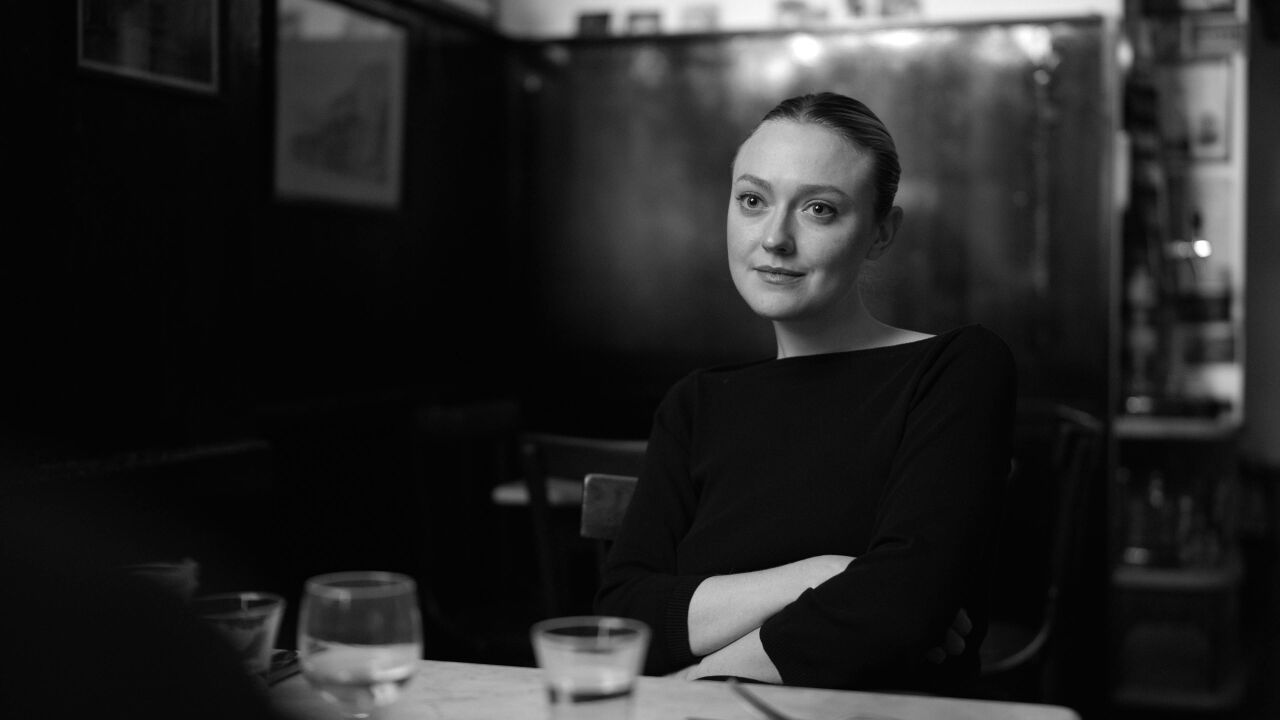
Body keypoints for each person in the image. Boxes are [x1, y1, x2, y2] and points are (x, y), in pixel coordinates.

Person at [594, 92, 1016, 694]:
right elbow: (625, 615)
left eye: (820, 209)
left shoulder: (956, 369)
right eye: (753, 200)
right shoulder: (696, 404)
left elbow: (905, 605)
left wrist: (700, 679)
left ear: (880, 232)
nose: (774, 238)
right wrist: (823, 575)